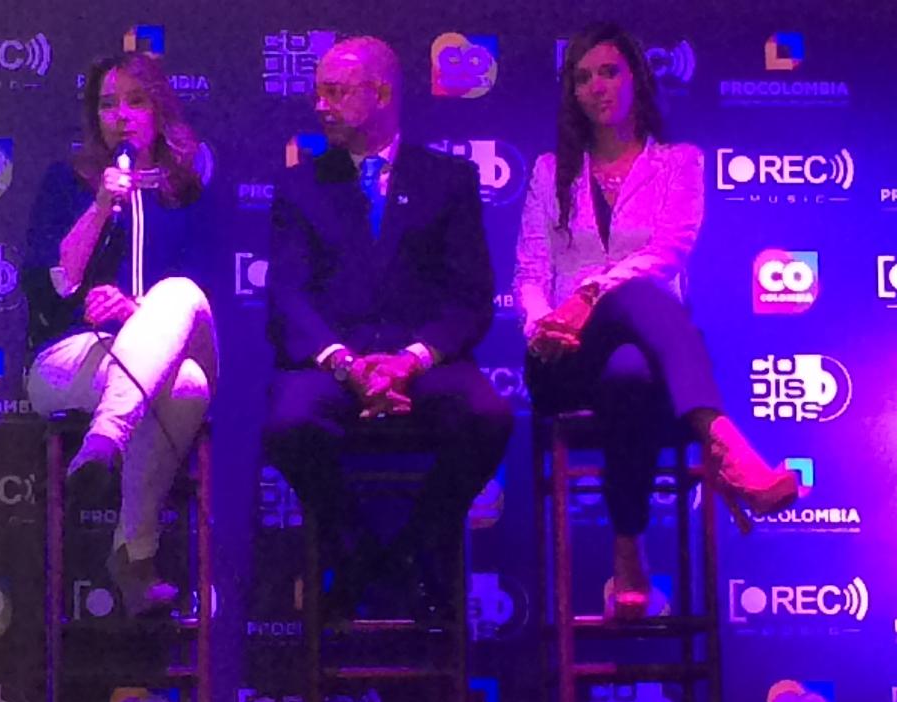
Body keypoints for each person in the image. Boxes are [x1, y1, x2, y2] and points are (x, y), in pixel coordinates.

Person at [514, 23, 798, 619]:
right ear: (572, 93)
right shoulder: (549, 171)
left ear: (637, 78)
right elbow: (531, 271)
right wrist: (543, 326)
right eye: (583, 78)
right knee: (634, 305)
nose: (597, 87)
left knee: (631, 370)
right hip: (564, 358)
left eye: (609, 71)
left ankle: (627, 552)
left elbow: (669, 251)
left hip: (646, 361)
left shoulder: (679, 164)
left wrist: (592, 292)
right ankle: (723, 442)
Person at [263, 36, 513, 619]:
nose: (320, 105)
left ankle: (416, 546)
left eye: (335, 92)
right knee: (289, 422)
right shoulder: (300, 187)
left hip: (424, 364)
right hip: (333, 365)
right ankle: (358, 551)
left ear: (380, 94)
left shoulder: (448, 180)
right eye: (318, 91)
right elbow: (288, 297)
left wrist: (410, 360)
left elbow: (471, 297)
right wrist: (346, 364)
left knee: (488, 418)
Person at [22, 52, 217, 617]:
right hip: (74, 356)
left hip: (178, 340)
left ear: (159, 111)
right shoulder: (67, 184)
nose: (122, 116)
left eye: (136, 102)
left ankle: (104, 441)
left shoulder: (186, 192)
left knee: (177, 291)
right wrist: (102, 204)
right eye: (108, 104)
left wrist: (136, 309)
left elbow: (210, 293)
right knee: (185, 388)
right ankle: (134, 555)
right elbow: (56, 285)